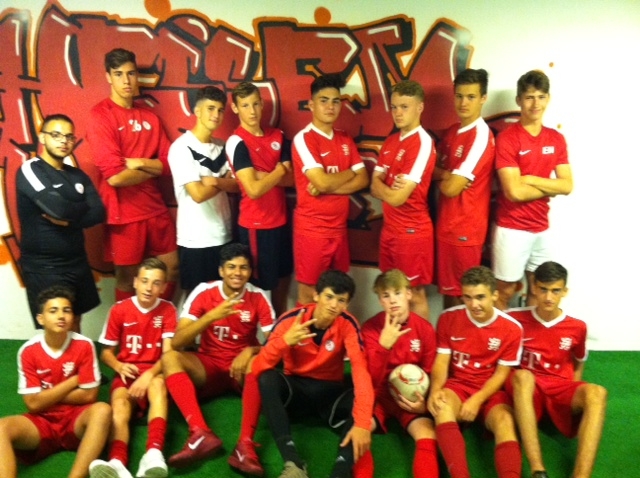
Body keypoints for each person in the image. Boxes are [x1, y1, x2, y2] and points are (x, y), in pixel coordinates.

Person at [161, 243, 275, 472]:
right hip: (209, 365)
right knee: (170, 357)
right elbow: (177, 341)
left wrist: (251, 350)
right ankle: (199, 432)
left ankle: (245, 445)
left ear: (249, 272)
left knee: (259, 362)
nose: (237, 273)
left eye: (243, 267)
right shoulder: (204, 291)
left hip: (239, 370)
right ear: (221, 270)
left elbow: (275, 344)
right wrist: (211, 316)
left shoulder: (258, 296)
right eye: (231, 267)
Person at [251, 270, 374, 478]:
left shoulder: (349, 324)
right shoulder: (291, 320)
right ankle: (294, 464)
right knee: (267, 379)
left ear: (346, 304)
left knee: (362, 400)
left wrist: (363, 422)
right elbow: (258, 367)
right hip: (295, 390)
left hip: (329, 394)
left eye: (341, 300)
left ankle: (340, 473)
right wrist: (285, 342)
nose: (333, 305)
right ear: (316, 295)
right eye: (329, 297)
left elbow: (360, 370)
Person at [87, 48, 178, 303]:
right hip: (123, 213)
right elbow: (115, 177)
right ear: (108, 77)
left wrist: (138, 163)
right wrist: (152, 169)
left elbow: (171, 163)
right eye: (118, 74)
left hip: (155, 207)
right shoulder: (100, 115)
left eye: (130, 73)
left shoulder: (150, 116)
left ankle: (158, 321)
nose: (126, 81)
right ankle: (129, 325)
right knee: (127, 279)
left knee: (172, 269)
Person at [506, 262, 606, 478]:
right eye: (543, 289)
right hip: (529, 389)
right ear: (534, 288)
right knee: (522, 376)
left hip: (560, 387)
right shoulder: (514, 319)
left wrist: (573, 390)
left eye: (555, 290)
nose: (549, 297)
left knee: (597, 393)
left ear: (565, 291)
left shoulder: (577, 327)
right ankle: (538, 470)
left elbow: (579, 361)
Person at [0, 285, 111, 478]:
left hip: (74, 419)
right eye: (53, 311)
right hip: (42, 422)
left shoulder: (85, 345)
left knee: (103, 410)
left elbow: (88, 396)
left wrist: (45, 396)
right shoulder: (28, 351)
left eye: (66, 310)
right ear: (40, 318)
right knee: (2, 428)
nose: (61, 316)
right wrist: (73, 381)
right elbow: (33, 404)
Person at [427, 266, 523, 478]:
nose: (473, 305)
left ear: (494, 295)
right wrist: (435, 390)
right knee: (441, 407)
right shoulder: (448, 318)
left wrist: (477, 400)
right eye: (468, 297)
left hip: (490, 390)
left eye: (480, 297)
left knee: (505, 421)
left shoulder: (512, 328)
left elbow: (501, 374)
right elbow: (442, 361)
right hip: (458, 385)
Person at [89, 258, 177, 478]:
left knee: (158, 386)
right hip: (127, 372)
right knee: (119, 404)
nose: (149, 288)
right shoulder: (119, 310)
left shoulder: (168, 310)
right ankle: (117, 462)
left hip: (155, 371)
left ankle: (153, 454)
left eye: (156, 283)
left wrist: (148, 376)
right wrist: (119, 365)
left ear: (163, 287)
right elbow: (106, 353)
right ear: (135, 282)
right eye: (145, 281)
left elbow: (168, 355)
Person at [16, 114, 105, 332]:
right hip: (45, 266)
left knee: (75, 320)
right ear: (42, 137)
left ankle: (76, 357)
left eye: (68, 136)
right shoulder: (31, 169)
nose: (63, 141)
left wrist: (69, 222)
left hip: (76, 261)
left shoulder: (78, 175)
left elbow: (99, 213)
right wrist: (80, 207)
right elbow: (59, 209)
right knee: (56, 326)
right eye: (56, 135)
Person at [493, 70, 573, 310]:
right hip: (512, 228)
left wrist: (528, 178)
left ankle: (529, 335)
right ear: (519, 100)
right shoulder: (508, 138)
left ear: (548, 99)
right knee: (505, 291)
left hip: (542, 227)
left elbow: (567, 185)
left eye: (541, 97)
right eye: (529, 97)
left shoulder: (555, 138)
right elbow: (514, 193)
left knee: (539, 289)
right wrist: (550, 187)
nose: (535, 104)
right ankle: (504, 335)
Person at [291, 74, 369, 306]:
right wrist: (348, 174)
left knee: (339, 292)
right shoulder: (304, 139)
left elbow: (363, 179)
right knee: (309, 293)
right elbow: (322, 182)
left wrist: (328, 184)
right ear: (311, 104)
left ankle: (335, 332)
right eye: (323, 100)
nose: (330, 106)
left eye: (336, 101)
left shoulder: (345, 139)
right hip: (312, 230)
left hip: (339, 229)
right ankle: (306, 332)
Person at [355, 269, 438, 478]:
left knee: (427, 433)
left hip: (411, 397)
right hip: (379, 395)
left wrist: (423, 404)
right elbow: (368, 379)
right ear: (380, 301)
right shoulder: (370, 329)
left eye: (397, 293)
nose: (393, 300)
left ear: (408, 294)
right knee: (358, 428)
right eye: (386, 295)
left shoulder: (425, 329)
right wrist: (384, 347)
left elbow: (431, 371)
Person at [226, 81, 294, 316]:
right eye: (245, 105)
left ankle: (278, 328)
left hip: (281, 221)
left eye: (256, 104)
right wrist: (279, 170)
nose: (252, 111)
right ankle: (258, 333)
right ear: (235, 108)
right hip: (256, 225)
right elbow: (254, 190)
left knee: (283, 278)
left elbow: (292, 180)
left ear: (262, 104)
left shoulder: (279, 135)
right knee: (258, 289)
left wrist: (264, 175)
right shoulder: (237, 141)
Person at [370, 80, 436, 319]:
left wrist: (385, 188)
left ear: (420, 107)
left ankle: (420, 343)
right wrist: (385, 188)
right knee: (390, 293)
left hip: (412, 232)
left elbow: (397, 198)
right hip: (390, 230)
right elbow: (373, 185)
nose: (397, 113)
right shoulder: (391, 142)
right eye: (394, 107)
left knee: (413, 294)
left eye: (404, 107)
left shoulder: (422, 143)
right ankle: (396, 341)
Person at [433, 69, 495, 309]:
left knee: (467, 298)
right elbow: (431, 171)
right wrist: (447, 174)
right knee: (449, 295)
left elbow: (450, 189)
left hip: (466, 229)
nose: (463, 103)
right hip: (446, 224)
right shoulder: (452, 132)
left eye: (471, 97)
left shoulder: (480, 136)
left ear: (483, 98)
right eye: (459, 96)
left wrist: (446, 178)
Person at [168, 86, 238, 297]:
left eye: (220, 110)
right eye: (210, 108)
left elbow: (238, 185)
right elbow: (197, 194)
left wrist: (214, 181)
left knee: (223, 301)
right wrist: (223, 181)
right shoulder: (181, 148)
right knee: (197, 304)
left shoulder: (223, 146)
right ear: (197, 111)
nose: (216, 115)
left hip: (224, 235)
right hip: (195, 239)